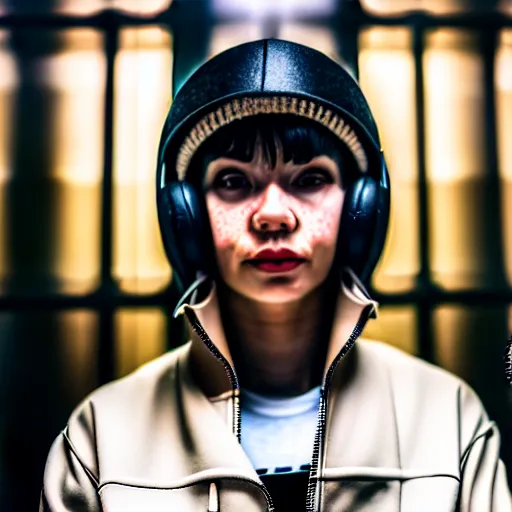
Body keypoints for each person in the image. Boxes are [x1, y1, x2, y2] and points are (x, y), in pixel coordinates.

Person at [40, 39, 511, 511]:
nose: (272, 216)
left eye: (309, 179)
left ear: (360, 209)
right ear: (187, 217)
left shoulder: (450, 422)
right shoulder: (99, 438)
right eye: (233, 181)